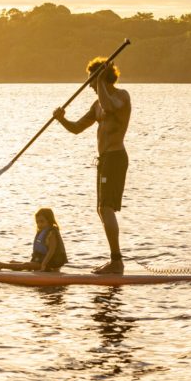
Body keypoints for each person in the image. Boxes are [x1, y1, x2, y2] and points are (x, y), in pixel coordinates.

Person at [53, 57, 131, 274]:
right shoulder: (96, 105)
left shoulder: (121, 97)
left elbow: (110, 106)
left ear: (103, 79)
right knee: (101, 209)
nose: (89, 86)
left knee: (106, 208)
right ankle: (115, 260)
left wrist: (100, 82)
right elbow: (77, 128)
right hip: (104, 160)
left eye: (92, 82)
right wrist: (61, 119)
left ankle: (116, 261)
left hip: (116, 157)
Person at [0, 207, 68, 272]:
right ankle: (12, 265)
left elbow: (51, 251)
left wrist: (43, 265)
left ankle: (1, 265)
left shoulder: (52, 233)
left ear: (49, 221)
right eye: (37, 222)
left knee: (26, 265)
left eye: (42, 221)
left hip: (52, 265)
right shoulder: (43, 232)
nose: (39, 224)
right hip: (44, 262)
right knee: (14, 262)